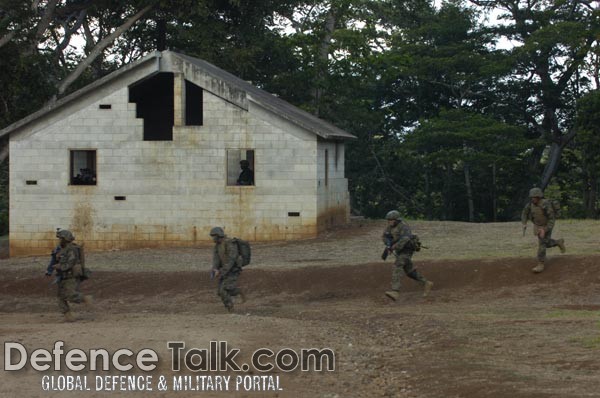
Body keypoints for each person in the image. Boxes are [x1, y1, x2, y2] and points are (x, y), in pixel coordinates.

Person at [382, 210, 433, 300]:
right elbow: (385, 236)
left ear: (396, 220)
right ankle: (426, 283)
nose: (389, 222)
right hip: (399, 251)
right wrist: (388, 244)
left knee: (398, 265)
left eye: (391, 220)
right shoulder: (389, 227)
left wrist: (393, 247)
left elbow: (405, 239)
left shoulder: (404, 227)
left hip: (406, 250)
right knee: (409, 272)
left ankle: (395, 291)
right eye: (388, 220)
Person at [521, 187, 566, 273]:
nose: (532, 199)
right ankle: (558, 242)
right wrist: (524, 223)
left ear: (538, 197)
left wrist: (544, 230)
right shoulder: (530, 204)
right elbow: (524, 212)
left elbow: (551, 220)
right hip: (537, 225)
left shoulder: (545, 205)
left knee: (542, 244)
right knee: (546, 243)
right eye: (531, 197)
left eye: (534, 197)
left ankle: (540, 264)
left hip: (546, 225)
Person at [51, 229, 92, 321]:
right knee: (61, 296)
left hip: (71, 276)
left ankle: (85, 298)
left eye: (61, 239)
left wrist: (59, 266)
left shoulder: (72, 249)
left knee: (70, 295)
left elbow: (70, 263)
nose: (59, 240)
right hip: (63, 275)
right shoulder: (62, 249)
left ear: (65, 239)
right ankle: (68, 316)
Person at [210, 227, 245, 312]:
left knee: (224, 290)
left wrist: (222, 271)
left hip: (233, 270)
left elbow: (231, 260)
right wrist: (215, 269)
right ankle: (238, 291)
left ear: (219, 235)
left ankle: (230, 308)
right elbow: (216, 259)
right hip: (225, 270)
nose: (213, 238)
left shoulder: (230, 243)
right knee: (220, 292)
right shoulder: (217, 246)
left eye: (214, 236)